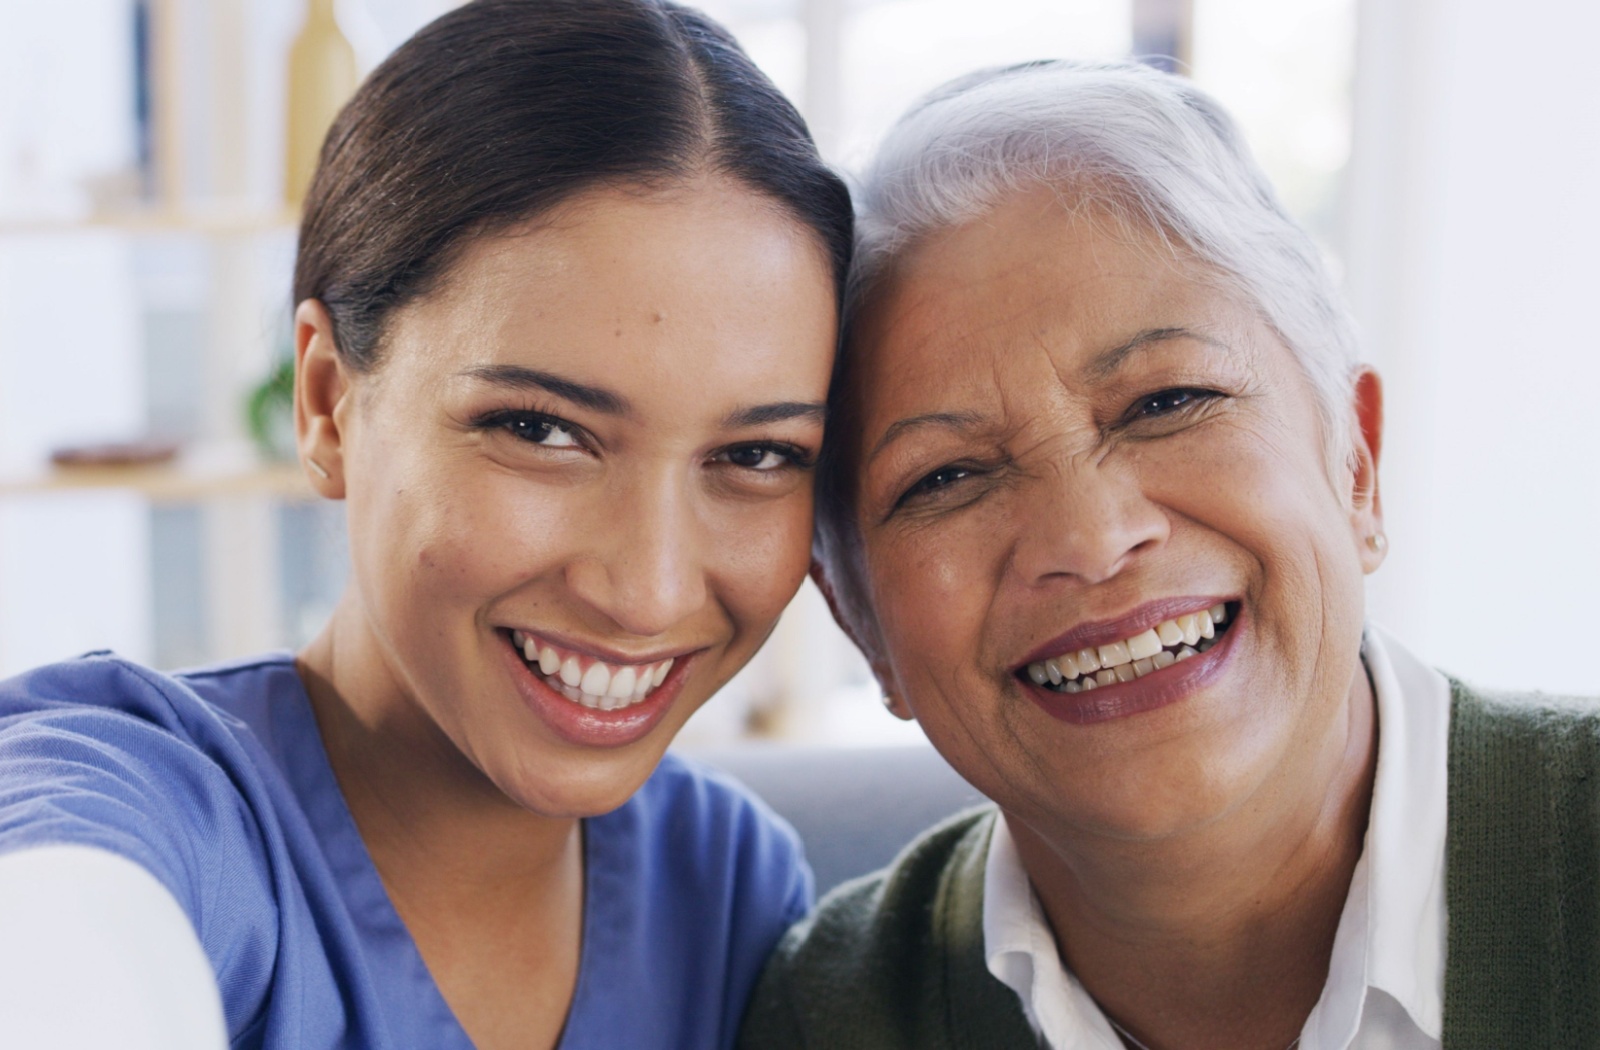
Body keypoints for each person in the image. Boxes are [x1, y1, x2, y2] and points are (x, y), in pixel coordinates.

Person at [0, 2, 851, 1048]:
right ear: (327, 401)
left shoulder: (726, 893)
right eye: (540, 429)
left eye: (756, 455)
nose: (651, 589)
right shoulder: (140, 798)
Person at [739, 59, 1600, 1050]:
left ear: (1354, 463)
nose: (1092, 541)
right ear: (859, 624)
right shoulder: (825, 1018)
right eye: (947, 477)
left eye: (1166, 402)